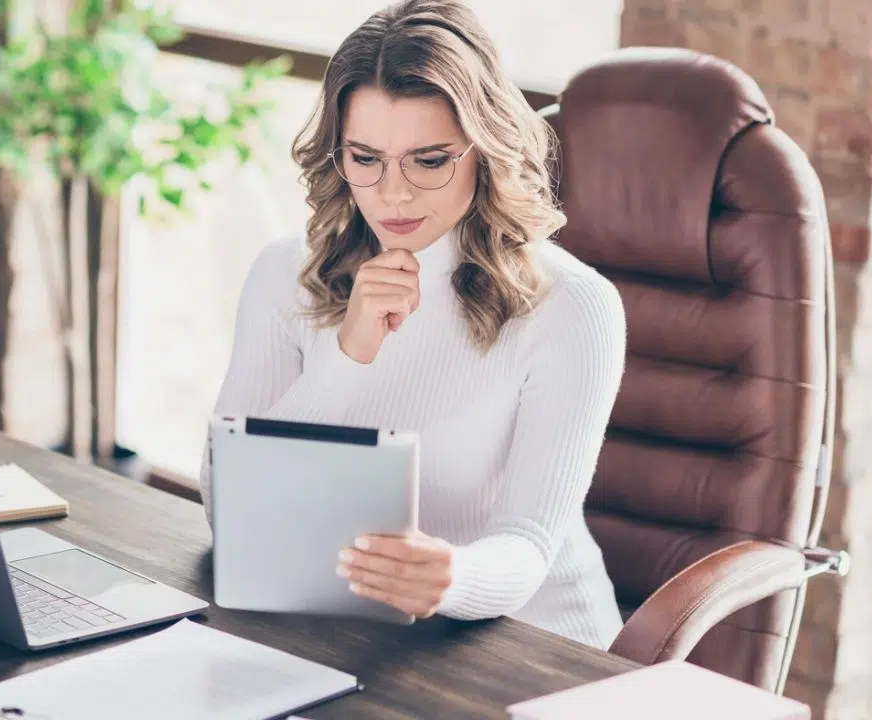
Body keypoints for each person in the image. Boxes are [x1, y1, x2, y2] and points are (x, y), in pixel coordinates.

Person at [198, 0, 628, 651]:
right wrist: (349, 354)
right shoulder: (286, 274)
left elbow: (529, 544)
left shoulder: (572, 305)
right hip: (351, 631)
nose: (393, 194)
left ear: (484, 149)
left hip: (533, 645)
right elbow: (227, 507)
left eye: (429, 161)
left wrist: (450, 578)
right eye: (366, 158)